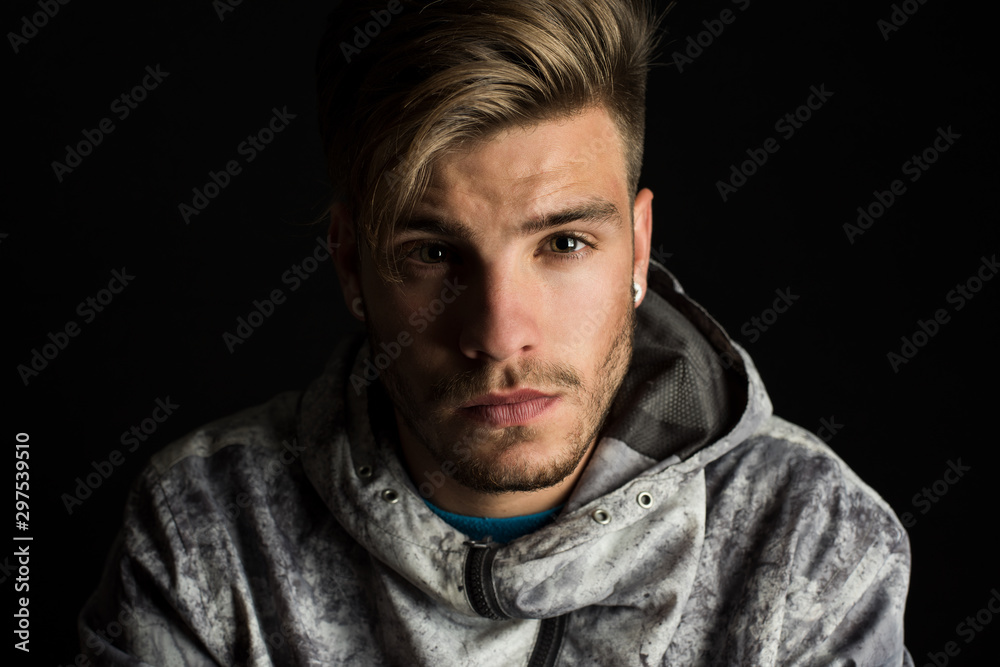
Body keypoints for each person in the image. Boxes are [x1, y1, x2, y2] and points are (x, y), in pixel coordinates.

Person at [79, 0, 914, 664]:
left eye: (563, 243)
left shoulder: (810, 540)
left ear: (639, 245)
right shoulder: (209, 535)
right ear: (349, 266)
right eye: (435, 253)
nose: (499, 334)